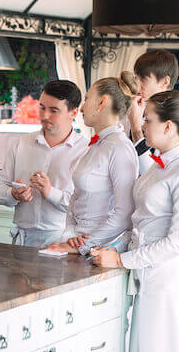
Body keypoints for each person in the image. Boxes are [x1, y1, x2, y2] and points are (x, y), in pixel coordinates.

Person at [91, 90, 179, 352]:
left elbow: (177, 241)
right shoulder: (159, 163)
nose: (142, 125)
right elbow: (141, 222)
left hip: (170, 284)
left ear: (168, 126)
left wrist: (122, 260)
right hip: (148, 278)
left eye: (147, 120)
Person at [45, 73, 139, 255]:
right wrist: (71, 234)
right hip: (75, 240)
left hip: (99, 249)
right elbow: (76, 197)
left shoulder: (120, 147)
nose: (81, 108)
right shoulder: (97, 144)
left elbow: (124, 214)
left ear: (102, 102)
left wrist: (83, 245)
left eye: (87, 99)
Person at [0, 80, 87, 248]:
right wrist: (13, 194)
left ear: (73, 112)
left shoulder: (85, 151)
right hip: (21, 240)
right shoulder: (21, 143)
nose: (44, 116)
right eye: (42, 107)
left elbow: (85, 206)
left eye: (54, 110)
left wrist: (50, 192)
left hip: (61, 242)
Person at [126, 49, 179, 174]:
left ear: (165, 81)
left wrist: (136, 129)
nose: (137, 84)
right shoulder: (133, 109)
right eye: (135, 78)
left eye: (143, 79)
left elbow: (157, 173)